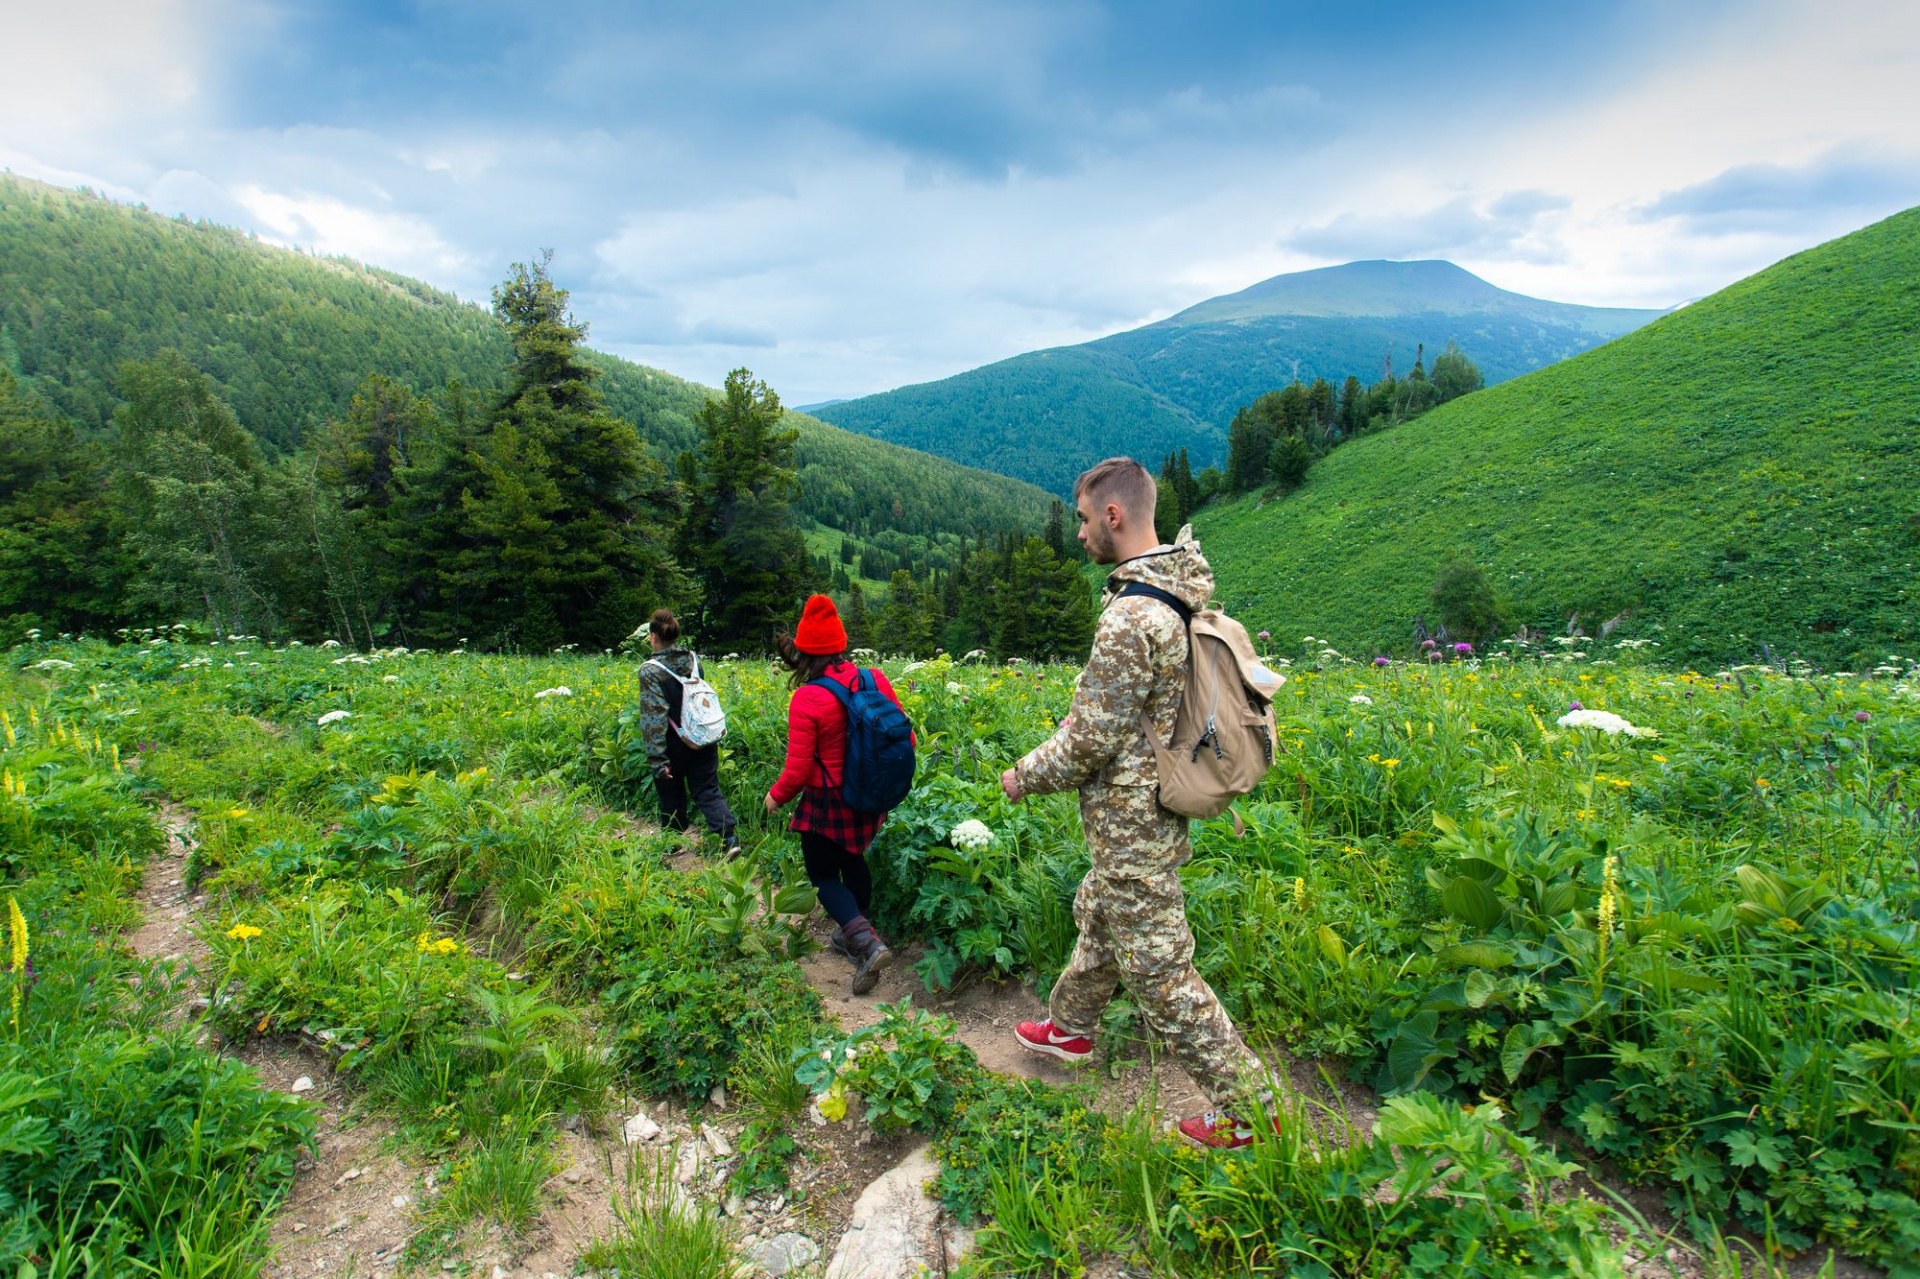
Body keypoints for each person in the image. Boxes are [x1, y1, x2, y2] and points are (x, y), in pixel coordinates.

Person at [1000, 457, 1282, 1150]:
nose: (1080, 533)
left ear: (1113, 516)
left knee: (1159, 970)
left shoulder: (1130, 616)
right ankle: (1071, 1026)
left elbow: (1091, 742)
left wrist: (1023, 774)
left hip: (1132, 819)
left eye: (1083, 519)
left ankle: (1253, 1107)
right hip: (1152, 807)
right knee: (1101, 911)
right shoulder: (1175, 590)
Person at [765, 594, 906, 994]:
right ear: (840, 644)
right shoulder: (873, 678)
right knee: (853, 858)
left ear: (805, 650)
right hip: (870, 793)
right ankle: (854, 928)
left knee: (822, 874)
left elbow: (797, 771)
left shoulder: (807, 697)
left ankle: (866, 942)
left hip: (828, 799)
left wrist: (775, 797)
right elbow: (906, 734)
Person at [639, 608, 740, 857]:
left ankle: (672, 845)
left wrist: (657, 759)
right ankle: (730, 839)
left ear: (653, 636)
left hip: (674, 743)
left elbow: (654, 719)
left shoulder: (650, 670)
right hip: (703, 736)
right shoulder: (693, 659)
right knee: (707, 789)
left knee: (670, 792)